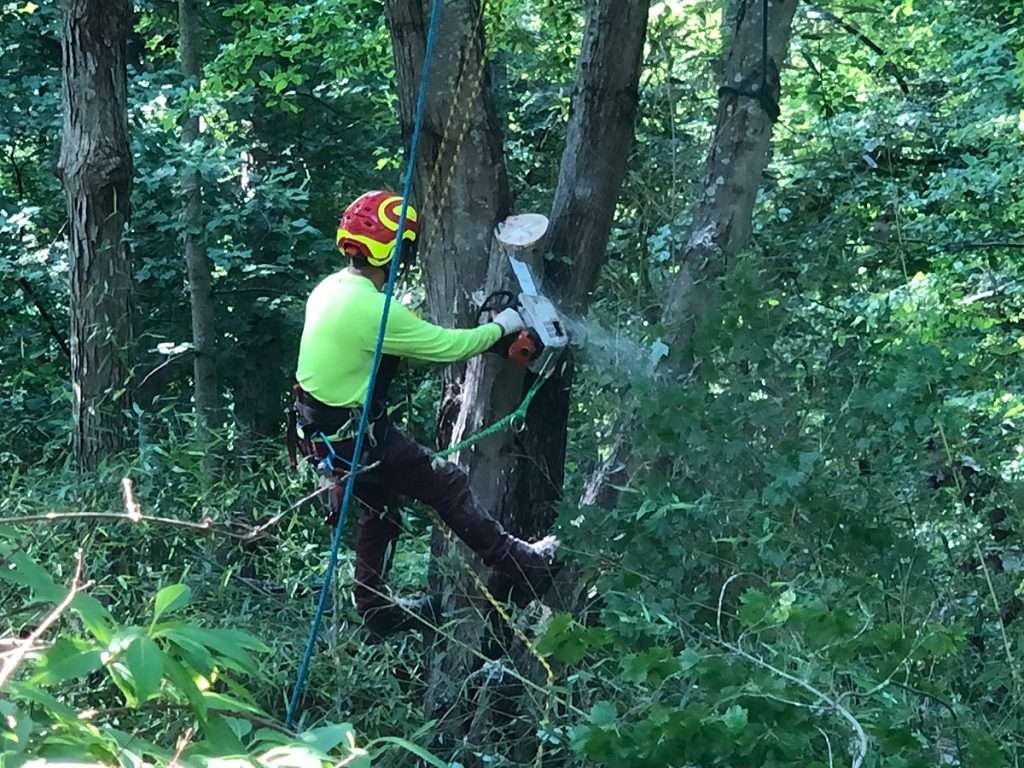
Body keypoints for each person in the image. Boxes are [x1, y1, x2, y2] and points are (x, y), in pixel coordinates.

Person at [291, 191, 558, 636]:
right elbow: (445, 348)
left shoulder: (330, 289)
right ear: (395, 250)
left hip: (326, 430)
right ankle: (523, 563)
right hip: (356, 436)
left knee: (378, 509)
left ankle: (374, 610)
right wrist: (502, 326)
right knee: (447, 484)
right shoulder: (372, 308)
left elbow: (388, 350)